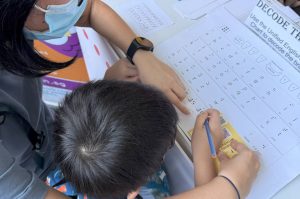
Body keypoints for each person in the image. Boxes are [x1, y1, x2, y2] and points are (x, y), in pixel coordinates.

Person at [0, 0, 189, 199]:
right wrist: (223, 180)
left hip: (64, 149)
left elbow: (89, 11)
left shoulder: (15, 22)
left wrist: (141, 55)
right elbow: (25, 191)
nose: (73, 7)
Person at [54, 80, 260, 199]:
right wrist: (206, 158)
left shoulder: (63, 171)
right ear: (134, 190)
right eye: (168, 146)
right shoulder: (148, 194)